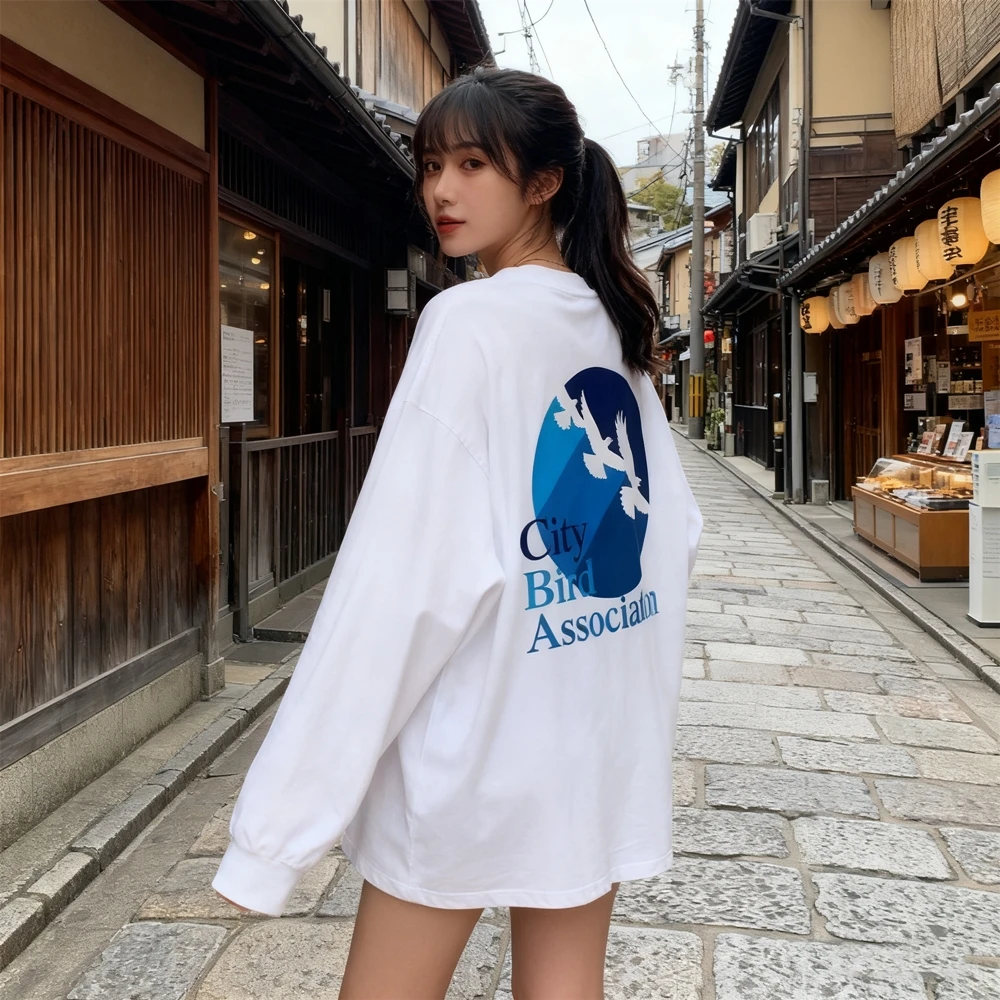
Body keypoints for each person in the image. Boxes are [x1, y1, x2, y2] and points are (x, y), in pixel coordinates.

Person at [212, 67, 702, 999]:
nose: (441, 189)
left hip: (477, 742)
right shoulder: (610, 318)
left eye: (473, 165)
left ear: (544, 181)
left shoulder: (467, 321)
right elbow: (671, 534)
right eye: (431, 164)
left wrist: (272, 836)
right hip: (592, 738)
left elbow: (397, 584)